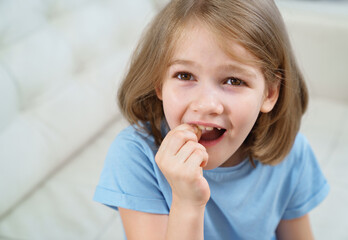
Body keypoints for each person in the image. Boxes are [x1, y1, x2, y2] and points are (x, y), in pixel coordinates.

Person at [93, 0, 329, 239]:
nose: (206, 104)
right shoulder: (136, 155)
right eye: (185, 75)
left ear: (269, 93)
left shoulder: (291, 154)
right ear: (159, 82)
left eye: (234, 80)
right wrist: (187, 202)